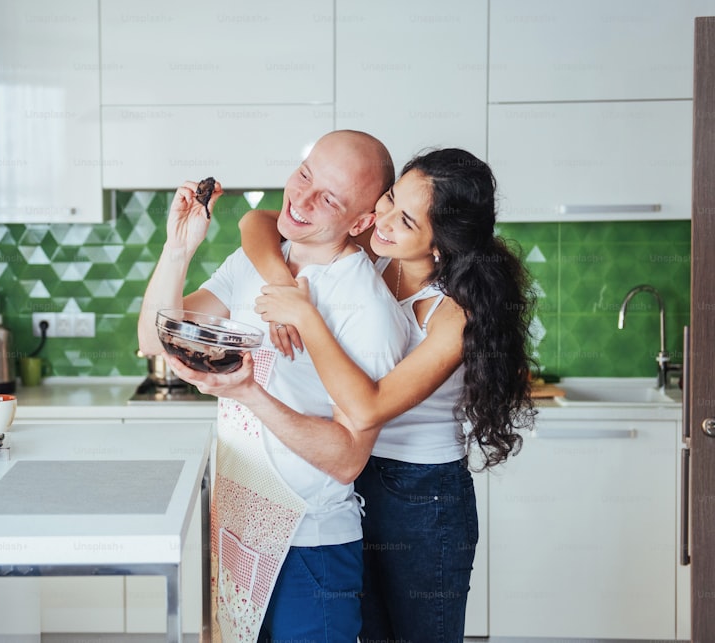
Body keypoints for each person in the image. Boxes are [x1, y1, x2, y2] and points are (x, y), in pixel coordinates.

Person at [168, 147, 537, 643]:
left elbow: (367, 406)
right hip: (354, 478)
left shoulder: (453, 313)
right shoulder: (378, 246)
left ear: (440, 246)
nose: (383, 220)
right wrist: (284, 283)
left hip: (421, 498)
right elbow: (259, 223)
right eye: (387, 199)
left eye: (405, 219)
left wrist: (304, 315)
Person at [137, 130, 411, 643]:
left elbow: (348, 459)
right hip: (238, 526)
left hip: (311, 550)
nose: (302, 199)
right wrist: (178, 249)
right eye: (305, 175)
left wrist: (246, 393)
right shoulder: (255, 262)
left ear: (362, 222)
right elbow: (155, 338)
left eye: (329, 197)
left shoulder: (368, 310)